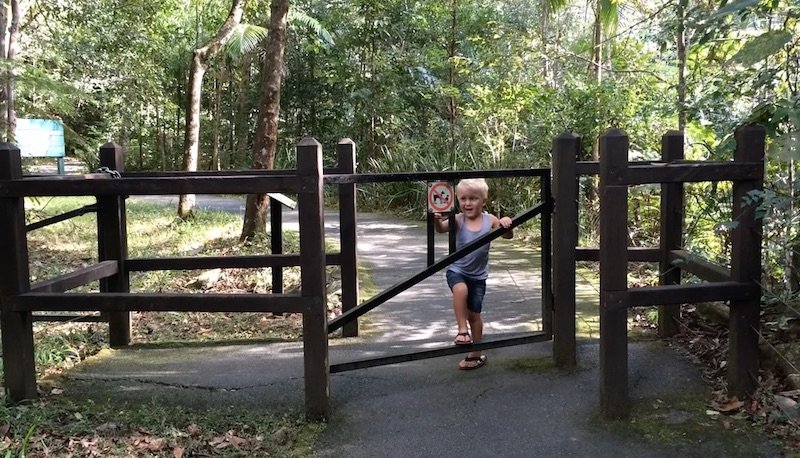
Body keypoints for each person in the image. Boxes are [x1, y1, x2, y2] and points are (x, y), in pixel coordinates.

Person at [433, 178, 512, 370]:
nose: (468, 203)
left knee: (475, 315)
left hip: (478, 276)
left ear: (483, 200)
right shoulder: (458, 219)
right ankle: (462, 331)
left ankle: (476, 353)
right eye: (463, 199)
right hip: (457, 270)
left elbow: (506, 235)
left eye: (473, 199)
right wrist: (436, 220)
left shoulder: (489, 219)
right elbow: (442, 229)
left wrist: (506, 223)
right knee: (460, 290)